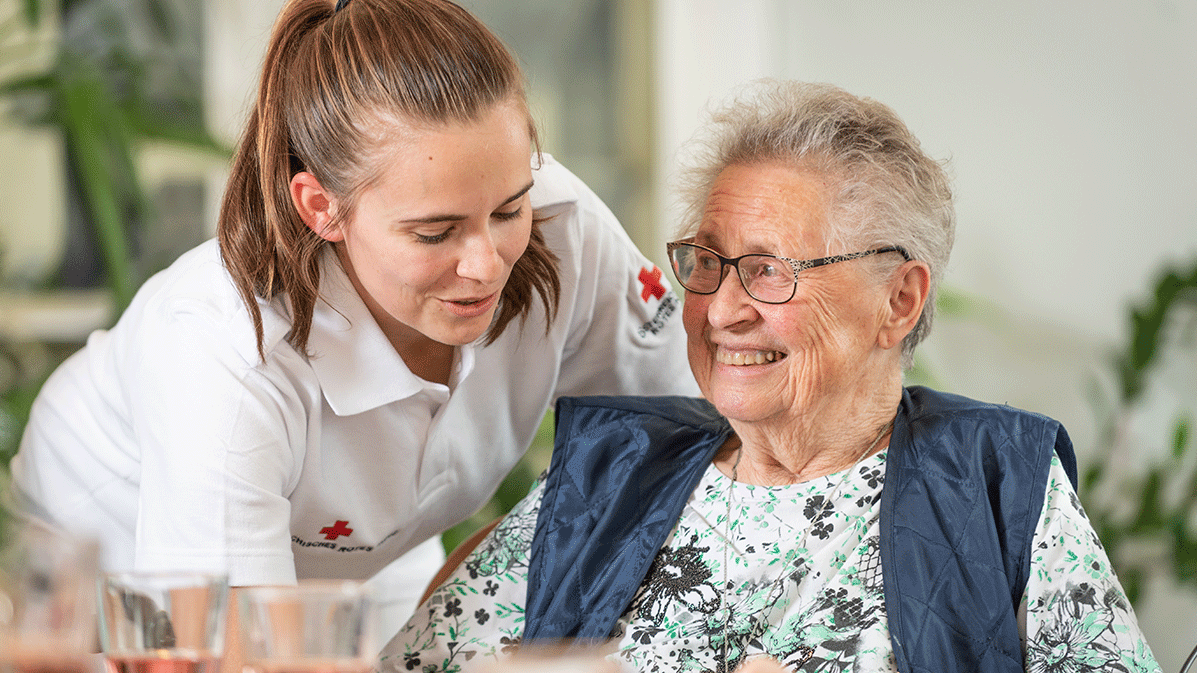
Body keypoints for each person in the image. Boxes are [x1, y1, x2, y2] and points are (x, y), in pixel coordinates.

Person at [377, 80, 1162, 673]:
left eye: (767, 271)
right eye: (709, 263)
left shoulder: (997, 483)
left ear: (898, 300)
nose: (720, 309)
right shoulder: (608, 471)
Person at [9, 0, 696, 640]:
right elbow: (234, 652)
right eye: (435, 233)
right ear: (320, 207)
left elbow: (698, 418)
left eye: (508, 209)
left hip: (362, 561)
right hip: (107, 582)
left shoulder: (561, 225)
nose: (487, 263)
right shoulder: (224, 352)